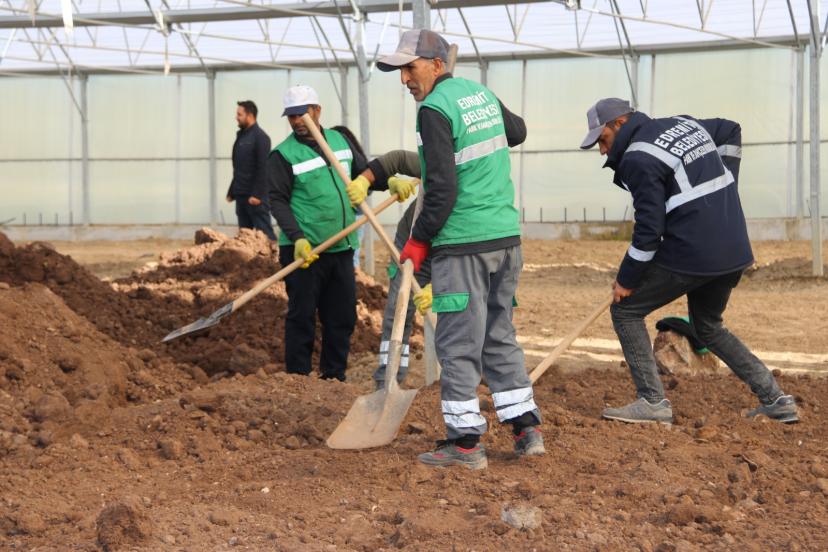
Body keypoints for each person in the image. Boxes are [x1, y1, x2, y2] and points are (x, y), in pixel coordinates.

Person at [377, 29, 545, 470]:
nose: (404, 80)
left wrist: (418, 241)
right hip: (506, 239)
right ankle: (526, 429)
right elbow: (518, 131)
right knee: (498, 334)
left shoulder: (433, 109)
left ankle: (466, 444)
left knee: (457, 343)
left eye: (409, 69)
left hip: (465, 243)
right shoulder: (479, 94)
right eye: (400, 71)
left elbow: (443, 189)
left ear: (436, 64)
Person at [580, 97, 799, 424]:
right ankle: (776, 399)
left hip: (694, 251)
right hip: (734, 246)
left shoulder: (637, 159)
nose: (601, 150)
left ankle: (652, 402)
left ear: (620, 124)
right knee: (708, 326)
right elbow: (729, 129)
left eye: (603, 139)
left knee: (625, 311)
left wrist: (626, 279)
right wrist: (726, 192)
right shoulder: (683, 124)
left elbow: (649, 232)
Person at [267, 85, 370, 381]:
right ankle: (299, 380)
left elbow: (363, 174)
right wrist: (297, 237)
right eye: (291, 116)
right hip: (305, 251)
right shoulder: (283, 155)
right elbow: (277, 201)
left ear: (317, 111)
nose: (297, 120)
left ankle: (333, 378)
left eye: (302, 113)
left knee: (342, 317)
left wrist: (385, 182)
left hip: (341, 247)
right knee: (302, 317)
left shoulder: (340, 140)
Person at [347, 150, 424, 390]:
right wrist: (365, 179)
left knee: (449, 313)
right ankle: (388, 379)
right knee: (399, 310)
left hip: (448, 246)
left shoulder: (478, 188)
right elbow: (397, 159)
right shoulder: (440, 159)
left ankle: (452, 380)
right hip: (411, 240)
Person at [226, 100, 276, 240]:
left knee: (265, 234)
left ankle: (274, 259)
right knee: (244, 236)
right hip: (241, 194)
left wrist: (258, 195)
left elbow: (263, 168)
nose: (236, 117)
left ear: (250, 115)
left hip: (255, 197)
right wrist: (232, 191)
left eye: (239, 114)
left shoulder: (261, 138)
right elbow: (239, 167)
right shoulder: (241, 136)